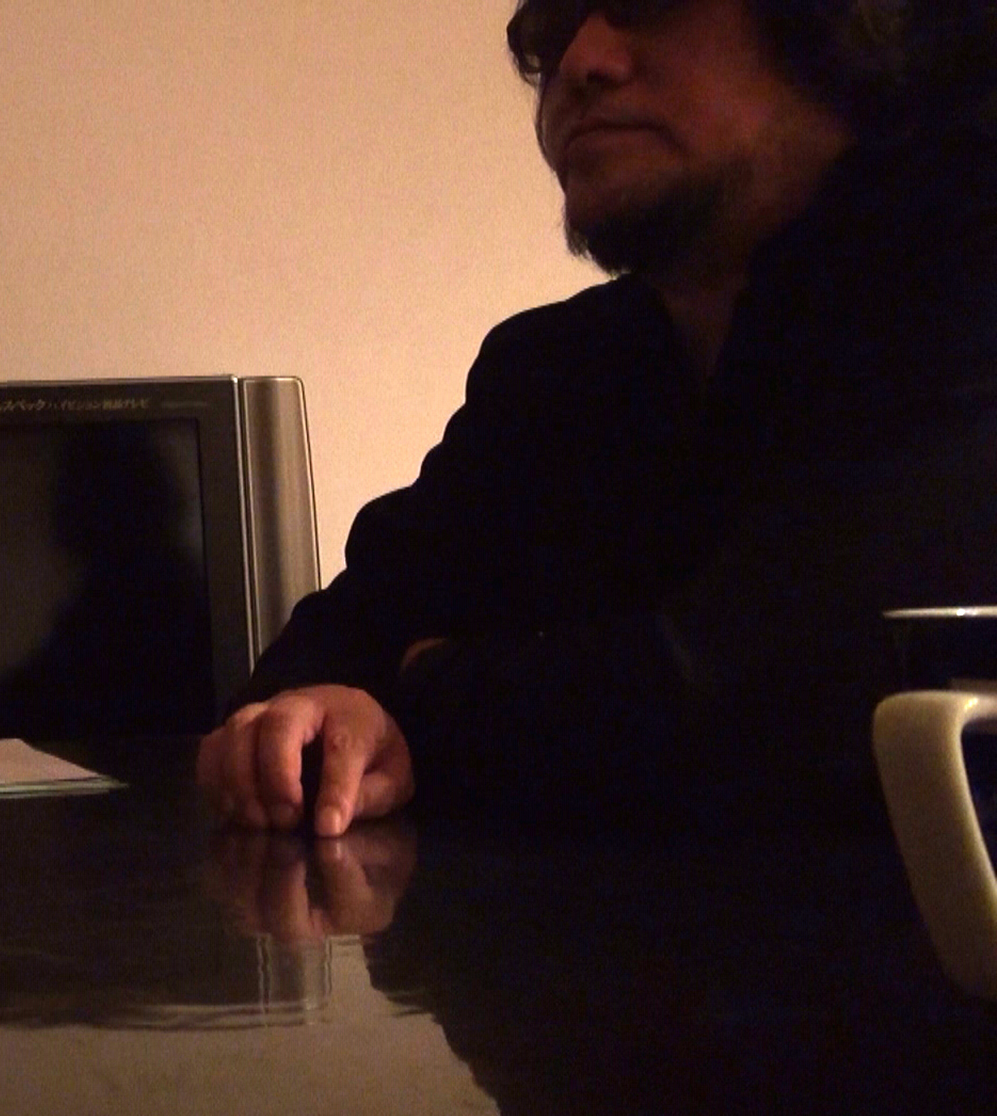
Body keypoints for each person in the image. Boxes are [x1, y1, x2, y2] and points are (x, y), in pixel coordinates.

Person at [199, 0, 997, 837]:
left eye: (647, 8)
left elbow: (750, 708)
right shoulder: (557, 362)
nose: (579, 63)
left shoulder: (964, 294)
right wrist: (309, 719)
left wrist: (421, 691)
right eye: (561, 32)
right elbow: (327, 654)